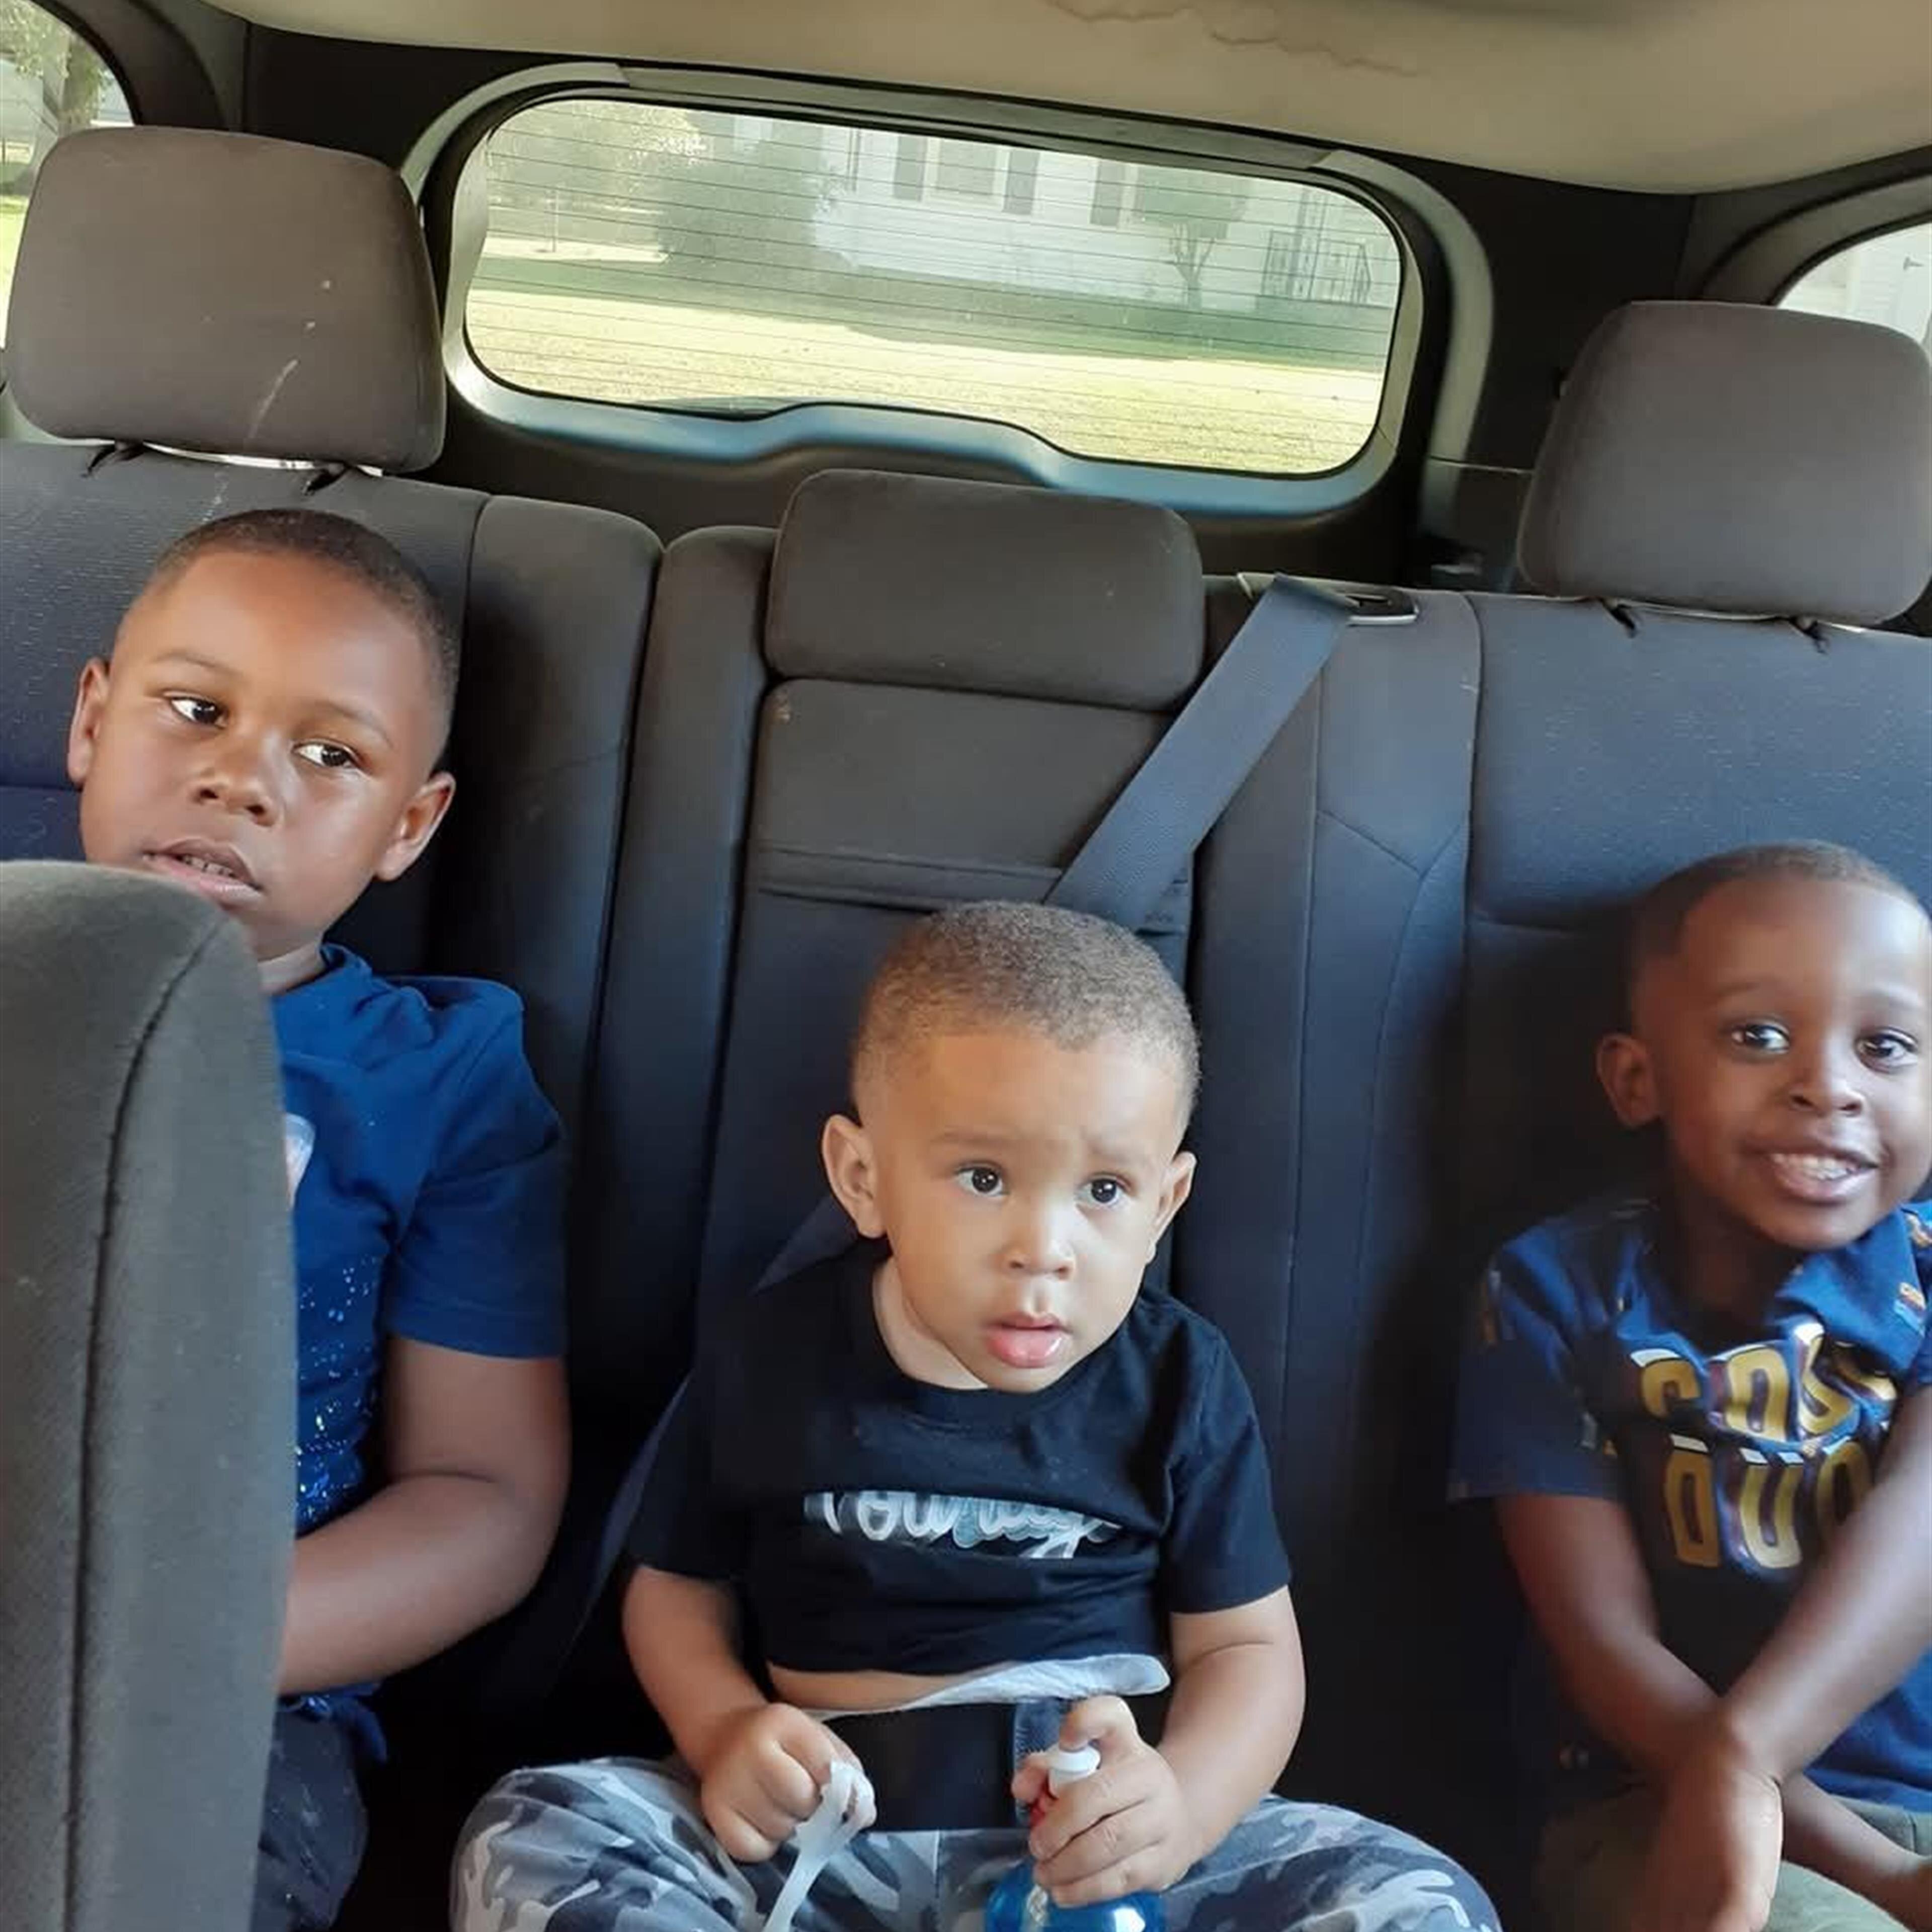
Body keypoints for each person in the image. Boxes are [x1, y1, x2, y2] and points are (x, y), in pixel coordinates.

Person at [453, 902, 1496, 1930]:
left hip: (1104, 1860)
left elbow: (1249, 1651)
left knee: (1418, 1899)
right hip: (822, 1847)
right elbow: (679, 1589)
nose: (1044, 1248)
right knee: (533, 1834)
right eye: (985, 1178)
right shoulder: (770, 1354)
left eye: (1104, 1190)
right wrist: (723, 1726)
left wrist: (1182, 1809)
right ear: (863, 1178)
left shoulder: (1181, 1378)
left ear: (1164, 1206)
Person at [66, 509, 571, 1932]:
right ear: (93, 721)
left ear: (409, 824)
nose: (240, 778)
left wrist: (182, 1644)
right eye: (195, 710)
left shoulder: (438, 1080)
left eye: (331, 754)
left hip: (222, 1699)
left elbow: (485, 1496)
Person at [1452, 843, 1932, 1932]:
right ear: (1639, 1081)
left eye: (1886, 1047)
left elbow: (1920, 1528)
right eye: (1758, 1036)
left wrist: (1751, 1751)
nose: (1830, 1085)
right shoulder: (1555, 1289)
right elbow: (1603, 1644)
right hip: (1655, 1801)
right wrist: (1838, 1847)